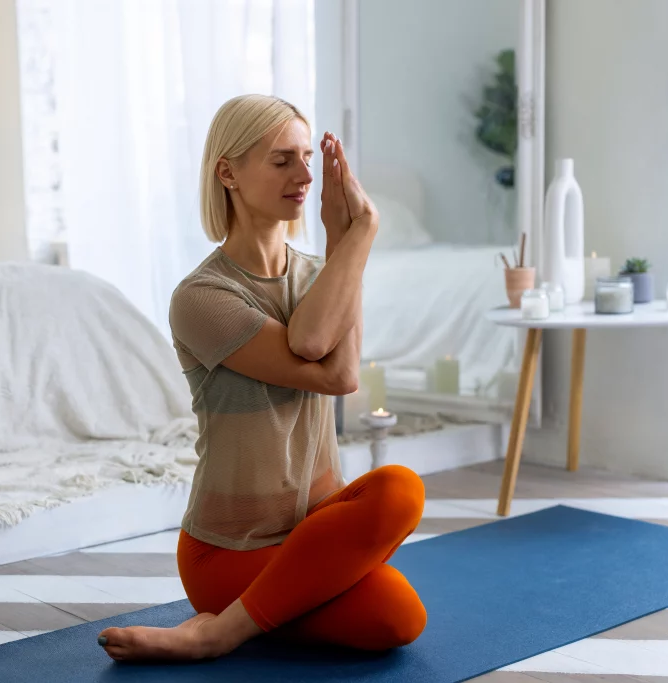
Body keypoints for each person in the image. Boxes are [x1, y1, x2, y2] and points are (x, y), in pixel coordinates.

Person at [98, 94, 426, 662]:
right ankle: (225, 627)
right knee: (390, 612)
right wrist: (361, 232)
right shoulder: (202, 297)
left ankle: (232, 625)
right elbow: (317, 357)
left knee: (400, 521)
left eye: (308, 158)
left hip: (312, 531)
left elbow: (344, 373)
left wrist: (343, 245)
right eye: (282, 160)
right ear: (228, 172)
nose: (305, 177)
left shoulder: (324, 274)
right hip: (229, 551)